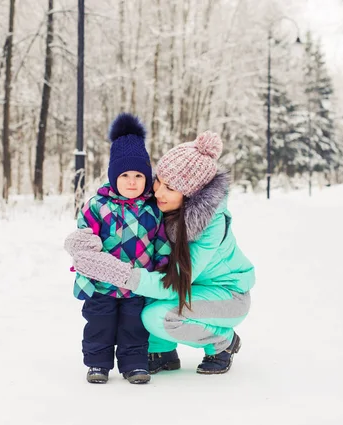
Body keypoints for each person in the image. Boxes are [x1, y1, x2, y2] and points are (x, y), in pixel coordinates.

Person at [66, 130, 254, 375]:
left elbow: (173, 284)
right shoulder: (160, 205)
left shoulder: (211, 226)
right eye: (159, 182)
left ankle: (222, 342)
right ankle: (162, 351)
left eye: (171, 188)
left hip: (227, 296)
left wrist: (121, 274)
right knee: (148, 287)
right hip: (194, 290)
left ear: (190, 196)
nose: (158, 193)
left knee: (156, 315)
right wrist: (77, 243)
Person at [65, 113, 171, 385]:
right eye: (125, 175)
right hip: (101, 286)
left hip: (137, 284)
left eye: (138, 175)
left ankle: (134, 364)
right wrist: (85, 268)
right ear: (113, 176)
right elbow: (84, 243)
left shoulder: (153, 210)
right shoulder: (96, 207)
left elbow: (161, 243)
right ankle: (98, 364)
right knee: (99, 326)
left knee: (134, 328)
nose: (132, 182)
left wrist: (162, 267)